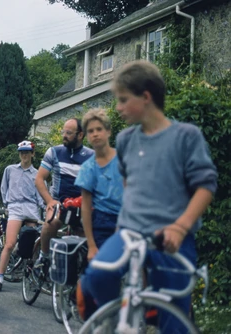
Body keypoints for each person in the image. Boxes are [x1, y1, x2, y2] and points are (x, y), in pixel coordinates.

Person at [80, 60, 217, 330]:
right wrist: (122, 225)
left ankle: (154, 309)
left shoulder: (186, 136)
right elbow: (131, 186)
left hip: (171, 236)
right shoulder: (126, 139)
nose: (117, 108)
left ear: (145, 97)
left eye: (123, 100)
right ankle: (116, 319)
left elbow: (206, 186)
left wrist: (180, 228)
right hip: (130, 233)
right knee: (96, 276)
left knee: (174, 321)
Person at [34, 118, 94, 275]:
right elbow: (39, 179)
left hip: (81, 205)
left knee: (85, 239)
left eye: (69, 133)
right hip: (59, 202)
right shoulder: (54, 152)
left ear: (80, 135)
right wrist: (49, 201)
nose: (64, 135)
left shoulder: (91, 156)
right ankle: (43, 257)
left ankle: (78, 273)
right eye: (63, 132)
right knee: (51, 223)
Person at [0, 140, 45, 293]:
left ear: (32, 154)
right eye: (22, 152)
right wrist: (7, 204)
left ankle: (32, 276)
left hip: (31, 208)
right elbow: (4, 187)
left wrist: (46, 209)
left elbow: (41, 195)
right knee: (9, 243)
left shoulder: (37, 174)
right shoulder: (10, 170)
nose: (24, 155)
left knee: (33, 243)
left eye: (27, 152)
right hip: (15, 206)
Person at [74, 109, 123, 261]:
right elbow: (86, 208)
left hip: (127, 219)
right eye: (90, 131)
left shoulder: (124, 159)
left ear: (108, 132)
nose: (95, 134)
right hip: (102, 223)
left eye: (99, 129)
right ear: (86, 136)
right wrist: (92, 245)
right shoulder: (88, 168)